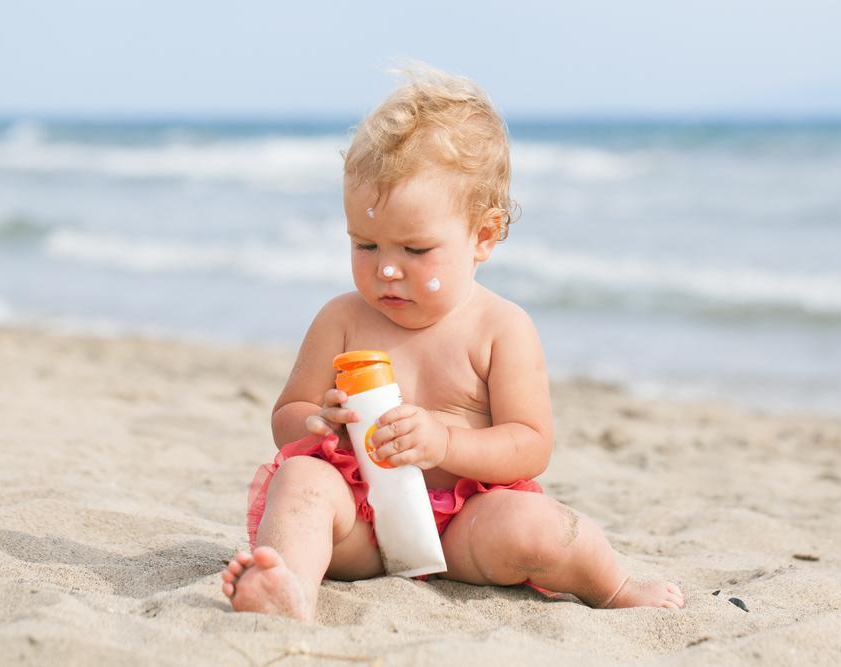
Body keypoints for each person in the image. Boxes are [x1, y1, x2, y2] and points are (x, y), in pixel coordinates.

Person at [220, 64, 685, 620]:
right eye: (365, 245)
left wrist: (444, 443)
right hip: (361, 522)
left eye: (415, 251)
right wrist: (318, 422)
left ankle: (613, 588)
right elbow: (286, 417)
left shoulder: (501, 328)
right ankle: (289, 588)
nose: (387, 270)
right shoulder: (341, 319)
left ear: (483, 236)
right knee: (300, 480)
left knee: (541, 527)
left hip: (465, 528)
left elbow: (530, 445)